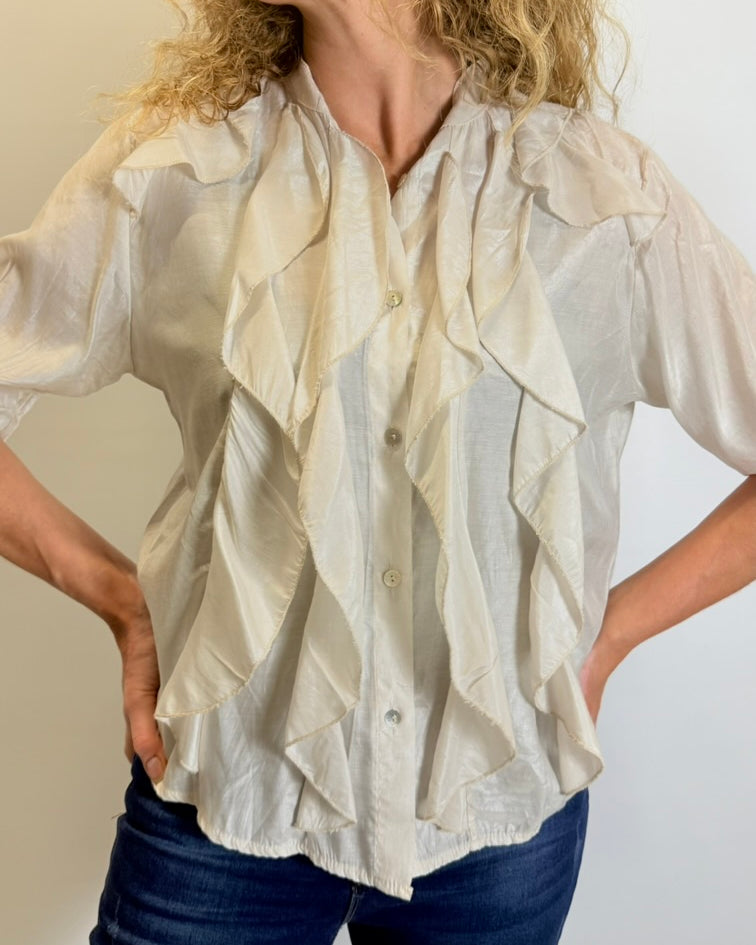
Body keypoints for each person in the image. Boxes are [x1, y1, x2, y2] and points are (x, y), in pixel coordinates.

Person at [1, 0, 754, 942]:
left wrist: (609, 637)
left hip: (497, 826)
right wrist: (120, 599)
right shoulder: (171, 171)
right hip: (224, 806)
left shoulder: (605, 196)